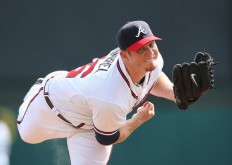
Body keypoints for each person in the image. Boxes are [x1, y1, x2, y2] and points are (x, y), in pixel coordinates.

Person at [17, 20, 176, 165]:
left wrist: (174, 93)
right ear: (124, 55)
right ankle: (40, 86)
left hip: (91, 122)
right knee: (27, 135)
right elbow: (108, 137)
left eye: (151, 44)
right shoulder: (109, 96)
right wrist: (138, 119)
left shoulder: (152, 59)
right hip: (53, 105)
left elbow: (153, 77)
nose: (149, 52)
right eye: (140, 49)